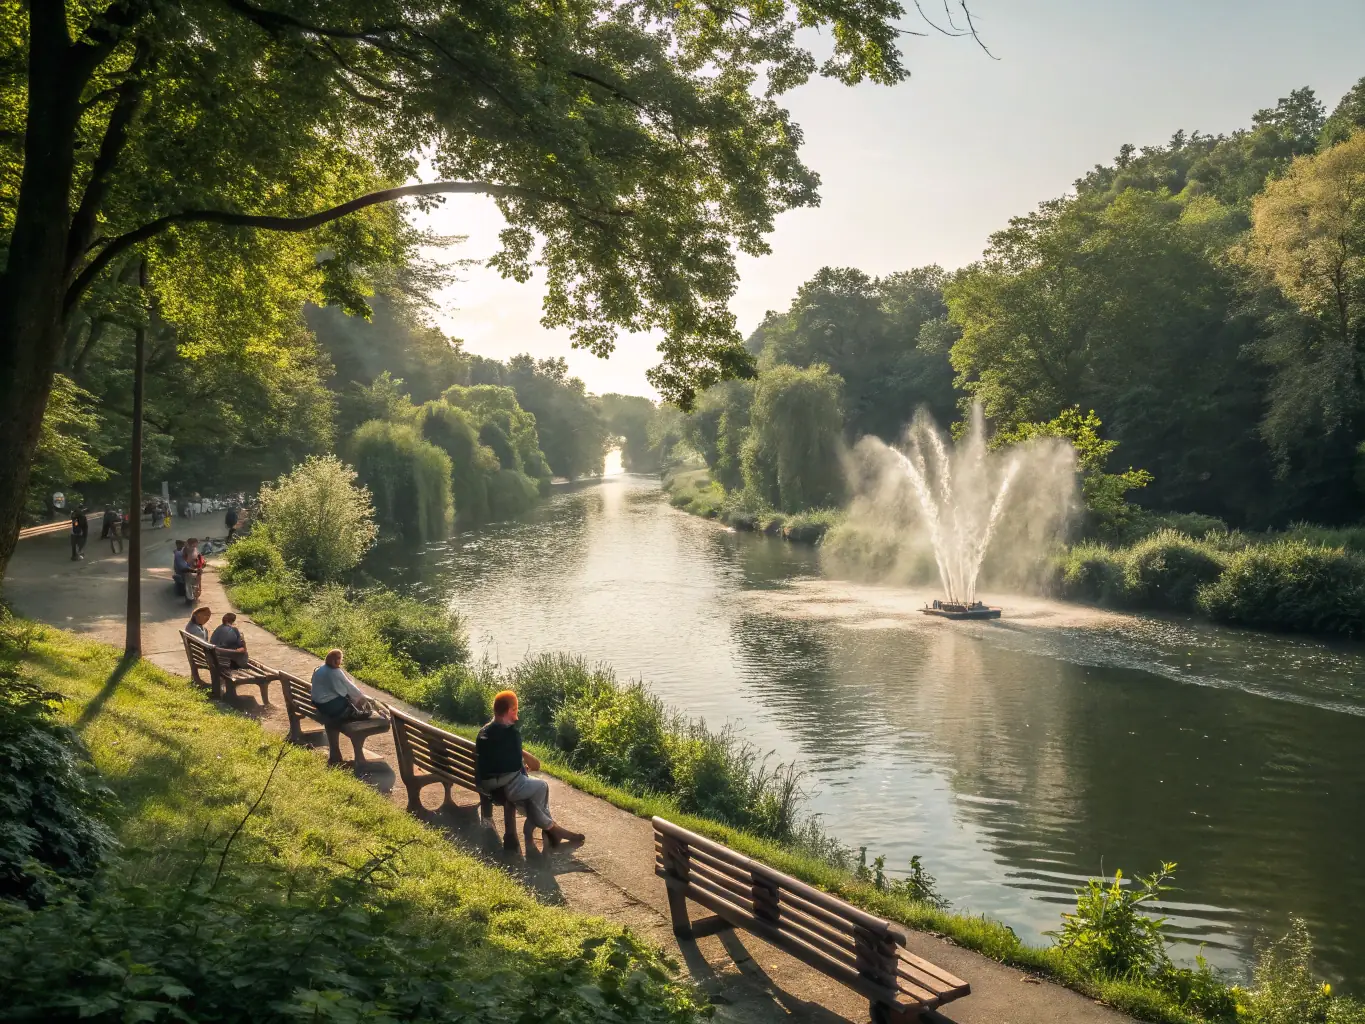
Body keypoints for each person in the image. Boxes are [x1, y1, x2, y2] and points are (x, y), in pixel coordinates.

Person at [476, 690, 584, 846]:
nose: (517, 715)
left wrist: (518, 760)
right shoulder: (511, 734)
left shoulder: (484, 731)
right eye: (515, 710)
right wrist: (520, 764)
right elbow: (517, 767)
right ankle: (549, 829)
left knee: (531, 797)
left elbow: (500, 759)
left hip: (487, 784)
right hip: (504, 787)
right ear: (510, 711)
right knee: (541, 786)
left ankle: (551, 829)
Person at [309, 649, 379, 724]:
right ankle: (357, 714)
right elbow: (349, 688)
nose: (341, 661)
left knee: (346, 696)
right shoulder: (335, 672)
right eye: (340, 659)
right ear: (336, 660)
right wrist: (362, 698)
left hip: (316, 703)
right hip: (327, 707)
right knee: (348, 698)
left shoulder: (320, 669)